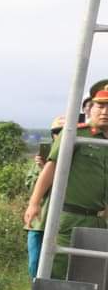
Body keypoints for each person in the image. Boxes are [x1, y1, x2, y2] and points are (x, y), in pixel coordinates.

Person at [23, 81, 108, 278]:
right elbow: (51, 168)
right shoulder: (75, 134)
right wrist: (34, 203)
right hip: (69, 216)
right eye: (100, 106)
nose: (105, 111)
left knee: (92, 274)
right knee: (58, 272)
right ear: (90, 108)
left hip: (97, 219)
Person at [24, 117, 66, 278]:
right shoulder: (41, 161)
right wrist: (43, 169)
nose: (59, 135)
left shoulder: (76, 159)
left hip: (60, 222)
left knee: (58, 266)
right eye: (56, 132)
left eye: (62, 132)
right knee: (35, 263)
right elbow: (30, 186)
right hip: (39, 221)